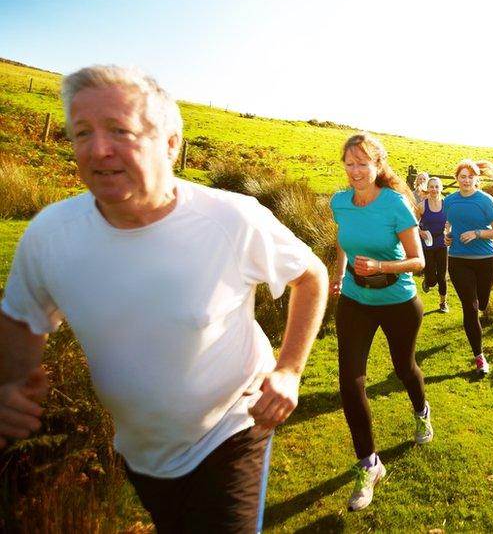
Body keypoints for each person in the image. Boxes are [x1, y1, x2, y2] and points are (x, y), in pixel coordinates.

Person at [0, 65, 328, 533]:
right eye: (82, 132)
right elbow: (21, 319)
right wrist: (9, 383)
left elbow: (311, 274)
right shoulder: (51, 235)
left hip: (233, 428)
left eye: (120, 130)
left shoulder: (231, 220)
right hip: (139, 449)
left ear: (171, 143)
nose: (98, 149)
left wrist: (290, 371)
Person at [330, 133, 431, 512]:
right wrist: (340, 273)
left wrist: (380, 266)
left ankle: (421, 412)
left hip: (398, 302)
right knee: (349, 381)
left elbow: (418, 261)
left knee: (404, 368)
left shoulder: (395, 205)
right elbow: (342, 239)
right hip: (356, 300)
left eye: (363, 164)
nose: (355, 171)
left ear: (378, 165)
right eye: (350, 164)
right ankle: (369, 464)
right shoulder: (339, 202)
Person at [444, 160, 493, 375]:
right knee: (470, 307)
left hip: (486, 258)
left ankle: (477, 318)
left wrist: (477, 233)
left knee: (482, 304)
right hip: (458, 259)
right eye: (463, 176)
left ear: (476, 179)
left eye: (470, 176)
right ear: (457, 179)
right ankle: (480, 357)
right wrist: (447, 236)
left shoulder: (485, 201)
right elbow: (448, 224)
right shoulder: (449, 201)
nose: (466, 180)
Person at [418, 177, 449, 313]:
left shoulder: (446, 205)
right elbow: (412, 223)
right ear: (428, 188)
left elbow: (451, 222)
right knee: (432, 280)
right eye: (431, 186)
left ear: (441, 188)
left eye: (437, 187)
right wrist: (420, 232)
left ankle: (443, 303)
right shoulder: (422, 206)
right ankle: (428, 281)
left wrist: (449, 230)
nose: (434, 189)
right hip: (427, 244)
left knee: (442, 277)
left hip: (442, 243)